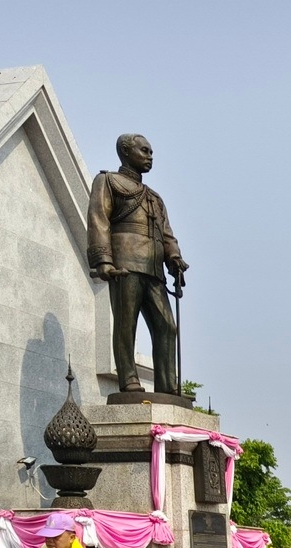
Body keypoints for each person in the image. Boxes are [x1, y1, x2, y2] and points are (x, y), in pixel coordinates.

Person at [86, 134, 188, 395]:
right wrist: (104, 261)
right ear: (125, 151)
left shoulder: (154, 197)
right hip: (126, 264)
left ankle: (167, 386)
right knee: (126, 324)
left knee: (167, 327)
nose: (150, 156)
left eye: (151, 152)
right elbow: (99, 219)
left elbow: (166, 233)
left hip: (154, 271)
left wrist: (174, 257)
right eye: (144, 151)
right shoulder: (108, 181)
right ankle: (128, 379)